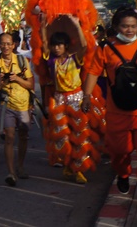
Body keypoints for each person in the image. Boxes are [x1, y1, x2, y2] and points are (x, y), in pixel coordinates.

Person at [83, 7, 137, 195]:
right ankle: (123, 174)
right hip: (117, 112)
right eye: (125, 26)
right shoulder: (105, 48)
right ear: (116, 27)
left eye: (133, 26)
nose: (129, 30)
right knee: (119, 151)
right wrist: (86, 96)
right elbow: (93, 72)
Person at [41, 26, 99, 184]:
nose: (56, 48)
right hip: (59, 99)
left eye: (59, 45)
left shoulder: (75, 58)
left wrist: (77, 25)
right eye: (54, 45)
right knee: (61, 136)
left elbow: (84, 45)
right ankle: (68, 165)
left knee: (78, 135)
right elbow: (44, 42)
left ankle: (79, 169)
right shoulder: (51, 60)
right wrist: (44, 24)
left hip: (76, 98)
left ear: (66, 45)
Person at [0, 32, 34, 187]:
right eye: (3, 44)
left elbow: (30, 85)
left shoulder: (22, 61)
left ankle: (20, 166)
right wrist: (2, 82)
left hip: (22, 104)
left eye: (9, 44)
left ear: (13, 45)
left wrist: (17, 78)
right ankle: (11, 173)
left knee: (23, 135)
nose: (6, 47)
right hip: (6, 104)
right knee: (9, 137)